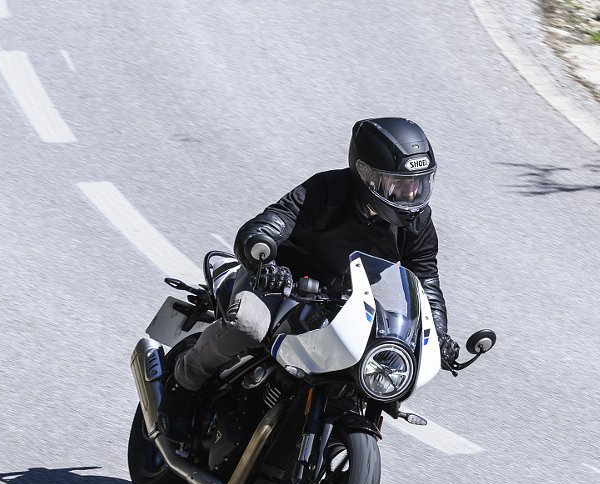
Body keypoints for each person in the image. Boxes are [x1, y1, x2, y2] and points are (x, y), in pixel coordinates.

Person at [157, 117, 459, 441]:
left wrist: (437, 334)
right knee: (248, 324)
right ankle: (182, 382)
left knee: (375, 361)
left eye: (418, 183)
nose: (411, 193)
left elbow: (424, 278)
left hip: (346, 301)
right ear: (368, 176)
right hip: (278, 281)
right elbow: (272, 221)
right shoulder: (326, 191)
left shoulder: (417, 222)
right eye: (400, 184)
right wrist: (262, 254)